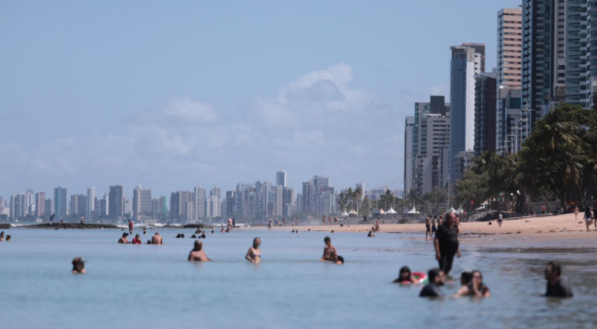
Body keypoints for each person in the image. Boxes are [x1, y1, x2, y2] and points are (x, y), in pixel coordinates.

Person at [434, 213, 461, 277]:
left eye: (454, 218)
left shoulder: (455, 227)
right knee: (442, 267)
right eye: (452, 218)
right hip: (443, 250)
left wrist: (458, 250)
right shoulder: (441, 228)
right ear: (447, 219)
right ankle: (440, 279)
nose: (454, 219)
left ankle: (444, 277)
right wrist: (437, 252)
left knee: (449, 267)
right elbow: (436, 239)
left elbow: (455, 239)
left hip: (451, 251)